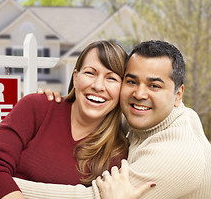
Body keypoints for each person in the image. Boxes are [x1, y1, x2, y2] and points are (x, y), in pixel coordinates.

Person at [14, 40, 211, 198]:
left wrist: (4, 185)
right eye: (132, 81)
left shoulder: (177, 156)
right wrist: (61, 104)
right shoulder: (144, 120)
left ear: (178, 95)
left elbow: (93, 197)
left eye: (154, 86)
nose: (140, 94)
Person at [0, 41, 130, 199]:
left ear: (122, 89)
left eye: (111, 78)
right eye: (90, 73)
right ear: (75, 78)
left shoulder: (117, 151)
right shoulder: (37, 107)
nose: (98, 86)